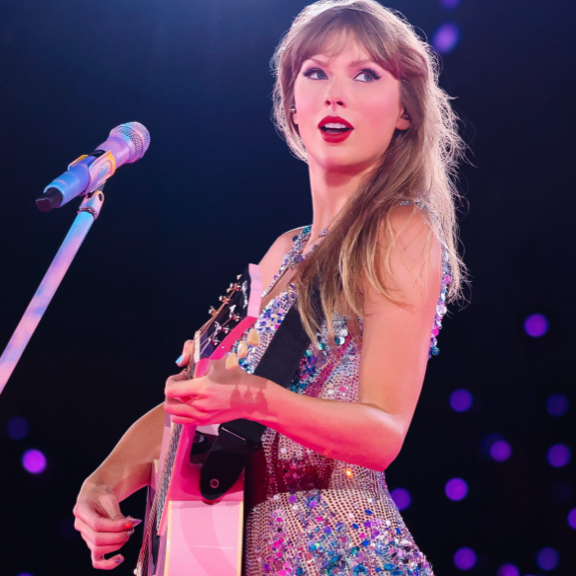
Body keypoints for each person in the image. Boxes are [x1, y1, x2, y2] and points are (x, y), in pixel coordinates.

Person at [73, 0, 466, 574]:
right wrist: (102, 483)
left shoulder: (401, 229)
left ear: (405, 110)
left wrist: (253, 398)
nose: (335, 94)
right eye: (316, 72)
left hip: (345, 556)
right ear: (292, 105)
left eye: (365, 75)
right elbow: (195, 404)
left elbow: (383, 432)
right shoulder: (286, 250)